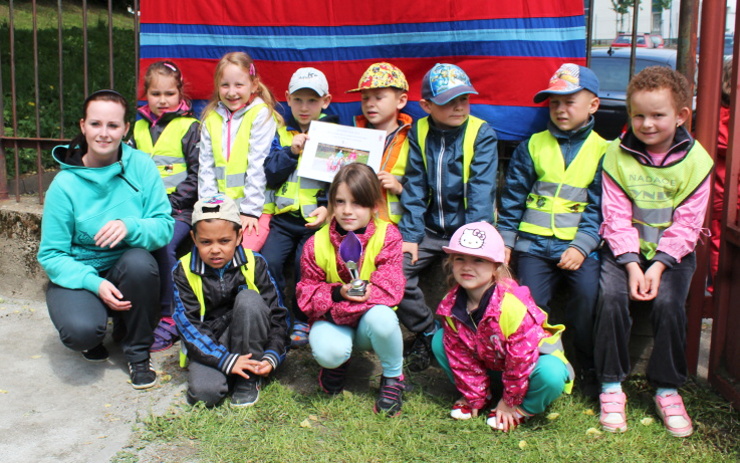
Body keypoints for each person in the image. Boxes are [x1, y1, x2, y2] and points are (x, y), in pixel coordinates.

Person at [594, 66, 713, 437]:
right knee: (610, 299)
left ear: (681, 116)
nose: (647, 124)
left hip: (672, 255)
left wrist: (658, 266)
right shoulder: (615, 155)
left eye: (658, 115)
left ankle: (667, 387)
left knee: (668, 305)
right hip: (623, 249)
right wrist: (631, 265)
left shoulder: (698, 162)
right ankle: (611, 385)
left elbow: (688, 225)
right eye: (638, 115)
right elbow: (614, 217)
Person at [37, 89, 174, 389]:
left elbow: (164, 227)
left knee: (140, 262)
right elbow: (51, 255)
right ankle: (92, 334)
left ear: (125, 130)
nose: (104, 133)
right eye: (96, 124)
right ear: (83, 125)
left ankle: (138, 355)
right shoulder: (63, 185)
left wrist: (130, 226)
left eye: (113, 126)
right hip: (80, 273)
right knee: (81, 332)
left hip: (127, 270)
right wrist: (93, 282)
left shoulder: (141, 166)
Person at [497, 63, 607, 397]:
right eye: (554, 102)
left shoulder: (605, 150)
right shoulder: (532, 145)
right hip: (533, 247)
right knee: (530, 304)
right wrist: (505, 244)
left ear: (593, 105)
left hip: (578, 248)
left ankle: (586, 365)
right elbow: (513, 197)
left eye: (570, 101)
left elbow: (603, 207)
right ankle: (534, 363)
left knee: (589, 298)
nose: (560, 109)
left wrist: (583, 246)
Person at [398, 63, 498, 372]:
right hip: (428, 229)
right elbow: (413, 186)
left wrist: (471, 246)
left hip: (468, 230)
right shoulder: (419, 130)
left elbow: (481, 193)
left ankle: (477, 347)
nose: (458, 106)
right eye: (448, 101)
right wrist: (411, 236)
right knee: (395, 275)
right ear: (426, 105)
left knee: (480, 284)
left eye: (464, 99)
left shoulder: (481, 132)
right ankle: (429, 333)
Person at [431, 222, 573, 431]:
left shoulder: (512, 305)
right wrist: (475, 396)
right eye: (459, 259)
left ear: (496, 265)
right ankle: (480, 394)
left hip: (529, 370)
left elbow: (520, 360)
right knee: (439, 340)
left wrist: (509, 402)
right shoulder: (450, 305)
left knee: (551, 373)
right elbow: (461, 356)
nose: (467, 266)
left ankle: (522, 409)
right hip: (493, 367)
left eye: (478, 260)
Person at [296, 163, 407, 416]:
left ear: (374, 206)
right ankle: (337, 363)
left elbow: (391, 289)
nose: (347, 211)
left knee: (383, 318)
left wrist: (345, 301)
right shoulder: (316, 243)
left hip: (366, 322)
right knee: (329, 351)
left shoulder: (388, 236)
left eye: (357, 203)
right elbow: (305, 295)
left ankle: (393, 376)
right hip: (334, 321)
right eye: (340, 201)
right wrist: (338, 293)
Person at [172, 194, 290, 407]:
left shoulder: (256, 263)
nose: (215, 249)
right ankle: (230, 368)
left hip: (250, 336)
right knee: (205, 395)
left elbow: (278, 315)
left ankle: (249, 377)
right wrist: (223, 359)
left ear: (238, 237)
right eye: (206, 242)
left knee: (249, 300)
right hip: (211, 342)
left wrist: (272, 354)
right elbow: (189, 326)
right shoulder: (183, 270)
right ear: (193, 238)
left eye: (224, 241)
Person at [261, 67, 336, 347]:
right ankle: (278, 317)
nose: (305, 107)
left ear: (325, 101)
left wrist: (329, 208)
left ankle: (303, 319)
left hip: (315, 222)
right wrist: (290, 152)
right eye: (299, 100)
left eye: (312, 101)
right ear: (288, 98)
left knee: (304, 263)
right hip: (282, 220)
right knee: (269, 261)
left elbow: (341, 181)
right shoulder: (279, 134)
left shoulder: (334, 134)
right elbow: (269, 173)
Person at [130, 60, 200, 352]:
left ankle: (169, 315)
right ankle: (133, 313)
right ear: (145, 93)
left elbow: (198, 174)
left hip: (179, 209)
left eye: (169, 93)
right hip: (143, 209)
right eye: (155, 93)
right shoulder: (136, 128)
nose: (162, 100)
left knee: (164, 246)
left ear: (180, 94)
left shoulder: (191, 127)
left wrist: (170, 203)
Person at [198, 51, 281, 251]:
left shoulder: (261, 114)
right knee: (211, 255)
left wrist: (250, 212)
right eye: (225, 85)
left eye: (239, 85)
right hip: (220, 211)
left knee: (242, 255)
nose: (231, 92)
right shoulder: (211, 118)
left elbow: (258, 165)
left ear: (253, 85)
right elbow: (206, 171)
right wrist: (210, 212)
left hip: (256, 210)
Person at [347, 62, 412, 224]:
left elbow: (424, 191)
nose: (370, 103)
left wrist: (399, 188)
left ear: (401, 101)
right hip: (356, 225)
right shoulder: (352, 136)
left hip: (395, 228)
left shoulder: (412, 140)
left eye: (379, 97)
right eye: (365, 98)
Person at [709, 58, 737, 293]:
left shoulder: (713, 115)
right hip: (726, 195)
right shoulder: (723, 117)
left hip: (722, 195)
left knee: (720, 249)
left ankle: (722, 295)